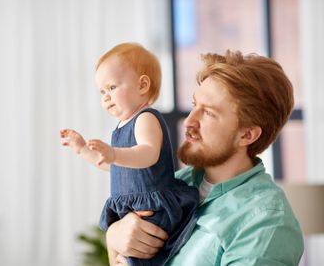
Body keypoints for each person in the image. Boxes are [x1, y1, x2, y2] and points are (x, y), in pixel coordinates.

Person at [106, 50, 305, 266]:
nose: (189, 122)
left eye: (209, 112)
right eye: (194, 106)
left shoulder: (266, 222)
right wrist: (114, 237)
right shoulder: (175, 183)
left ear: (247, 135)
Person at [60, 42, 199, 266]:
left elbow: (147, 154)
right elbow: (115, 166)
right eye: (102, 91)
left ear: (142, 84)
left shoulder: (145, 118)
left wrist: (114, 153)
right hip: (132, 210)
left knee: (141, 255)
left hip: (153, 207)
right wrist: (82, 149)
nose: (105, 97)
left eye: (112, 87)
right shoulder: (120, 127)